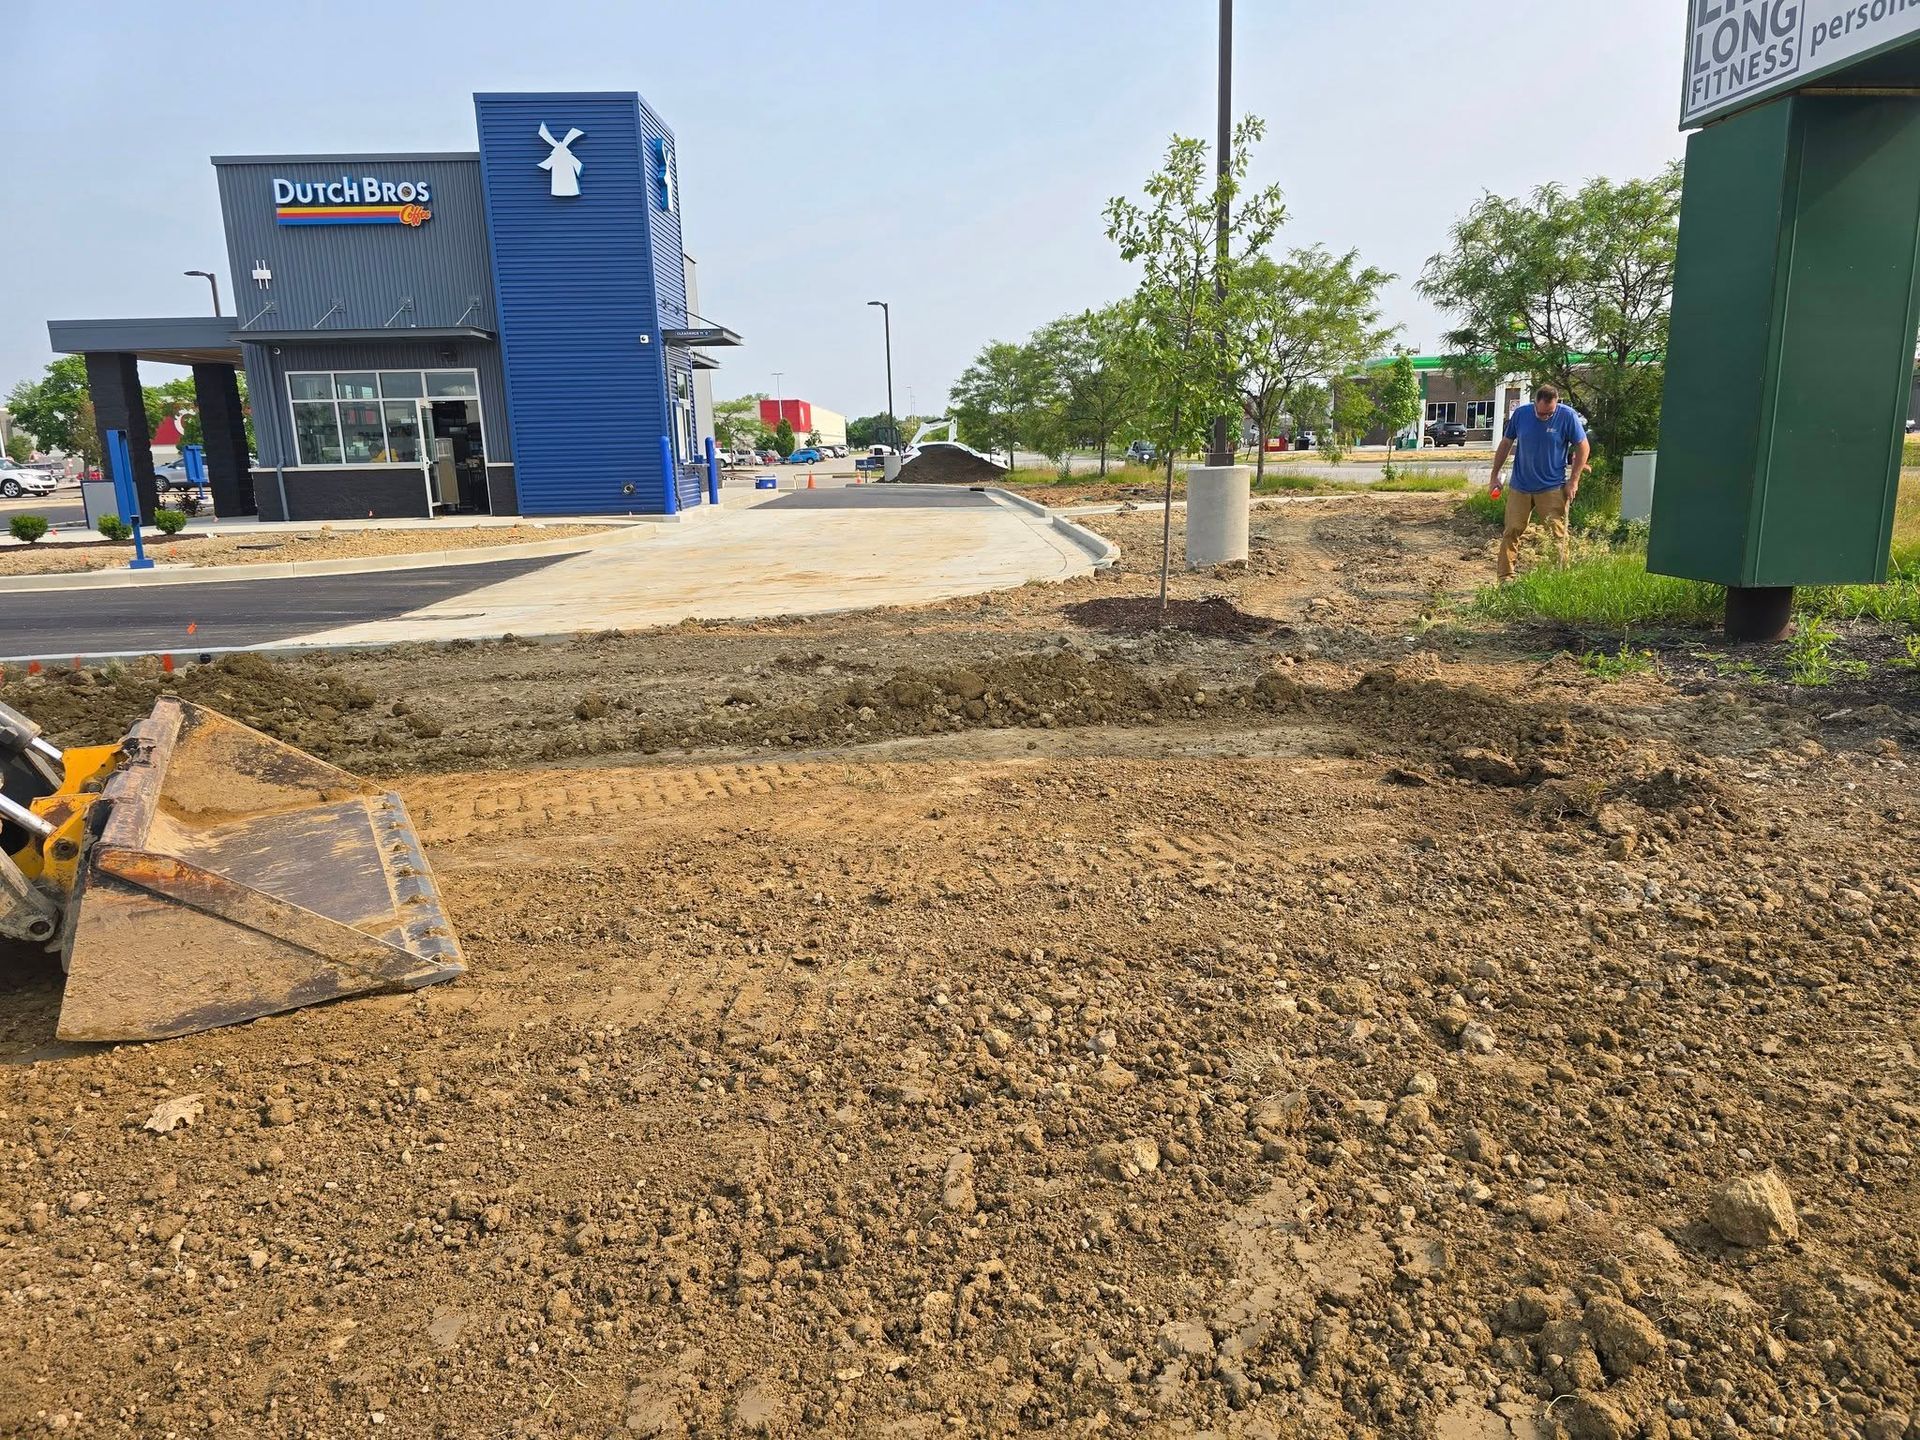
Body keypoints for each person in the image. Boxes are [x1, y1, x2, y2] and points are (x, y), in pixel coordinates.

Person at [1489, 383, 1589, 581]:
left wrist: (1574, 480)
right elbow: (1506, 443)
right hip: (1521, 486)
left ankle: (1558, 579)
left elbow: (1583, 447)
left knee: (1556, 535)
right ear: (1535, 402)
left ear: (1556, 404)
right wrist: (1494, 475)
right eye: (1541, 413)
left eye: (1549, 413)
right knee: (1511, 531)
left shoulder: (1567, 416)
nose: (1545, 417)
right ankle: (1505, 578)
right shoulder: (1521, 414)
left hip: (1552, 487)